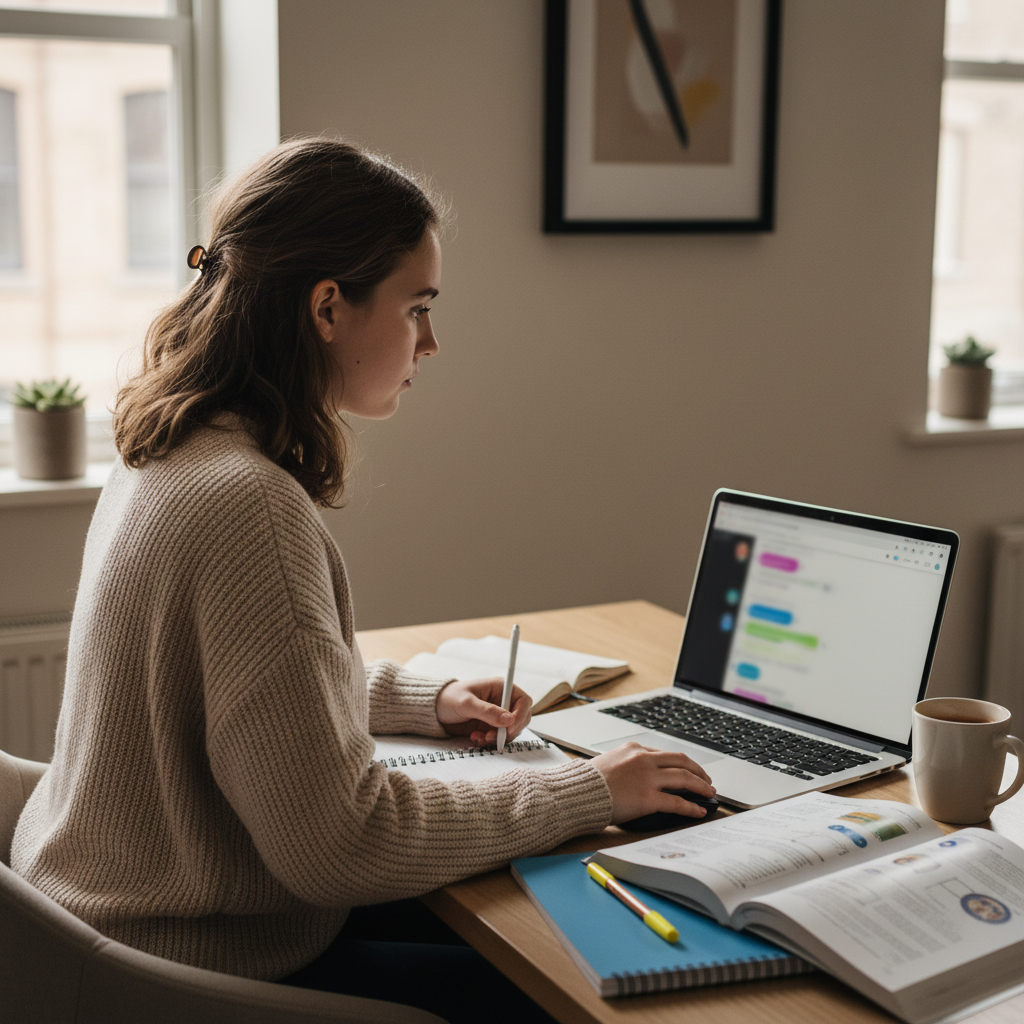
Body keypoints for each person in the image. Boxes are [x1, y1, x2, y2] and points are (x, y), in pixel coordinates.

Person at [10, 138, 715, 1022]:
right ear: (328, 308)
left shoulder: (172, 447)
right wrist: (589, 791)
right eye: (417, 306)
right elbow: (342, 844)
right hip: (182, 967)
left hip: (115, 925)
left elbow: (241, 691)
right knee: (576, 989)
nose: (432, 341)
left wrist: (427, 700)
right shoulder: (248, 505)